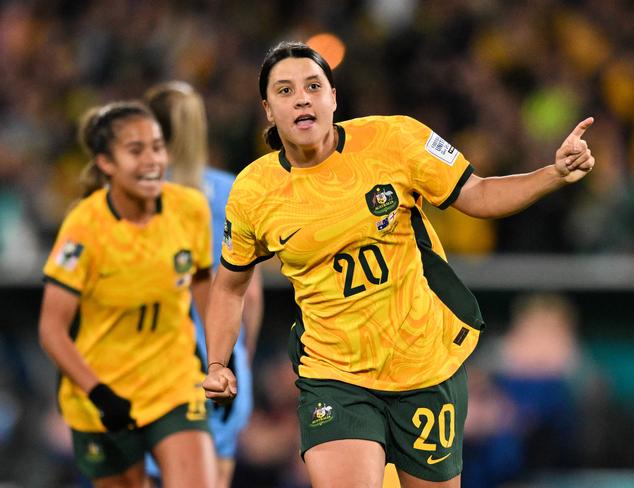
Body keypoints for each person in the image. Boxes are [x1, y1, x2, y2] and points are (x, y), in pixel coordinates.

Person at [201, 41, 595, 488]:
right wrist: (217, 363)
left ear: (333, 97)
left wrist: (553, 173)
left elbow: (479, 194)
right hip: (334, 374)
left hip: (424, 365)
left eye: (313, 86)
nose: (303, 98)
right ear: (268, 110)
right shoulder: (253, 191)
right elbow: (229, 286)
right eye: (285, 91)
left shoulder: (397, 139)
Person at [38, 100, 217, 487]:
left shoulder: (190, 209)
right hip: (101, 396)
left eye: (157, 146)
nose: (152, 160)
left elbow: (202, 282)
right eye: (136, 151)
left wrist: (219, 359)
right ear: (106, 163)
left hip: (174, 382)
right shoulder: (83, 227)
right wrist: (100, 394)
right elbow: (51, 328)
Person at [144, 80, 264, 488]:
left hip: (157, 361)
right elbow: (251, 294)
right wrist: (238, 361)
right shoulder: (231, 190)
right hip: (220, 363)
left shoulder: (137, 198)